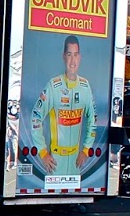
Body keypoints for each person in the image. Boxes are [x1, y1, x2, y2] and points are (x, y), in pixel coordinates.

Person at [30, 35, 96, 174]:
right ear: (63, 57)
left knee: (75, 196)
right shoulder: (53, 86)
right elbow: (35, 117)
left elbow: (93, 119)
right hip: (55, 161)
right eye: (69, 54)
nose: (73, 61)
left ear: (80, 57)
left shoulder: (85, 86)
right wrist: (43, 152)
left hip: (75, 162)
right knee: (52, 196)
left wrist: (85, 150)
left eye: (76, 55)